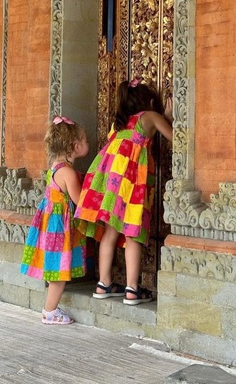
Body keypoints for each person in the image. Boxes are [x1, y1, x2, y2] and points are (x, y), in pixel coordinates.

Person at [75, 79, 173, 305]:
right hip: (133, 184)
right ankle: (132, 288)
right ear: (149, 102)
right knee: (132, 233)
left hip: (111, 184)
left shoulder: (118, 125)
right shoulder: (150, 116)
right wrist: (167, 117)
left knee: (110, 233)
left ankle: (104, 283)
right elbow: (175, 137)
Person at [20, 115, 89, 325]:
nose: (87, 143)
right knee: (58, 272)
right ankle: (50, 312)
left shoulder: (55, 166)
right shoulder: (68, 172)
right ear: (75, 146)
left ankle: (51, 309)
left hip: (50, 224)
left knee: (54, 268)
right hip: (58, 227)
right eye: (85, 140)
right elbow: (79, 200)